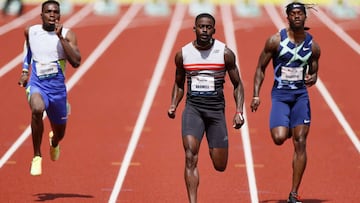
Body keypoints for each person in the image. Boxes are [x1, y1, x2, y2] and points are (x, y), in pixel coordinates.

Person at [167, 13, 245, 203]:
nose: (204, 30)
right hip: (193, 109)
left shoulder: (224, 53)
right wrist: (173, 105)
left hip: (216, 111)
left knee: (220, 164)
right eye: (201, 26)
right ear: (194, 29)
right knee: (190, 154)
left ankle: (214, 145)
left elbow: (238, 84)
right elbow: (178, 84)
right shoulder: (183, 54)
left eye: (208, 27)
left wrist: (238, 111)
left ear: (213, 30)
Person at [250, 2, 320, 203]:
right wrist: (256, 95)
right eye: (293, 14)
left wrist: (312, 78)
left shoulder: (313, 46)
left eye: (300, 14)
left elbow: (314, 72)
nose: (297, 16)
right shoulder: (275, 41)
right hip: (280, 96)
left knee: (300, 142)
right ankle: (287, 125)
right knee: (279, 138)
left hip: (300, 97)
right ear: (287, 17)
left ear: (305, 17)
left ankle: (294, 193)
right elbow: (260, 68)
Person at [18, 0, 81, 176]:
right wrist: (25, 71)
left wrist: (60, 38)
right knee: (37, 109)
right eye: (48, 12)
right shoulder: (31, 31)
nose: (52, 15)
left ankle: (54, 142)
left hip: (58, 92)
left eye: (55, 12)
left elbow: (76, 62)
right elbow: (29, 48)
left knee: (60, 133)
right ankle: (37, 156)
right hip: (37, 85)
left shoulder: (68, 35)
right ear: (41, 15)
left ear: (60, 15)